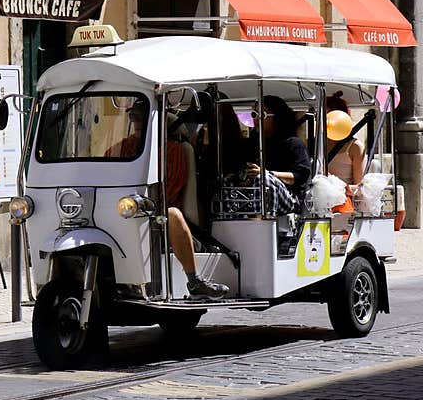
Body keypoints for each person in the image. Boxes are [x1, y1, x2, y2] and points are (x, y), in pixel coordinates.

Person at [107, 102, 229, 300]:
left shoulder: (173, 150)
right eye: (134, 117)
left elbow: (166, 192)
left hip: (162, 219)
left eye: (144, 117)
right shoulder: (120, 147)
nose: (138, 122)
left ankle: (194, 281)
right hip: (126, 212)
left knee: (172, 213)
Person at [247, 95, 312, 215]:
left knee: (263, 180)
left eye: (262, 115)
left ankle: (261, 223)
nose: (256, 119)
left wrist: (266, 174)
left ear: (277, 117)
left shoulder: (293, 143)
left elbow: (300, 176)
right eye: (254, 114)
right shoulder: (255, 143)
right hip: (256, 194)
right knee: (228, 182)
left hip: (290, 199)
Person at [325, 91, 366, 187]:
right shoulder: (312, 143)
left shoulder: (355, 147)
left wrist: (336, 184)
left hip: (343, 199)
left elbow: (359, 187)